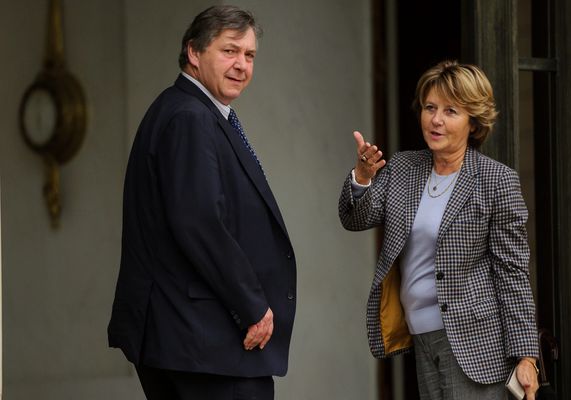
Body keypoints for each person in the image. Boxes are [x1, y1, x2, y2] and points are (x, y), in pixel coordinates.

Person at [108, 6, 296, 400]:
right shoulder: (190, 117)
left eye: (249, 55)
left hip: (190, 342)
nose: (242, 65)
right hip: (205, 344)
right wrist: (252, 306)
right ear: (194, 52)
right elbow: (199, 222)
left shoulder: (186, 110)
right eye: (230, 51)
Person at [338, 60, 540, 399]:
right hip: (421, 337)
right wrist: (362, 177)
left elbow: (512, 271)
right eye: (430, 107)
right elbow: (355, 219)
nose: (436, 119)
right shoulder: (403, 167)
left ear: (473, 122)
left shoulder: (496, 180)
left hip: (475, 344)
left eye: (451, 111)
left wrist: (526, 355)